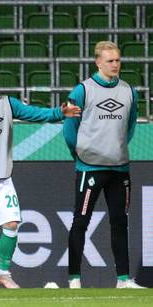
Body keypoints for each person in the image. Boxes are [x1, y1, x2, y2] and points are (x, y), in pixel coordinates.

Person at [0, 60, 81, 289]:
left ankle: (3, 273)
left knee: (12, 223)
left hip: (2, 177)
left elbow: (35, 113)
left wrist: (60, 112)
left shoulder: (8, 104)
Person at [63, 41, 144, 289]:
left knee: (120, 222)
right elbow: (69, 130)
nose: (115, 65)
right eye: (110, 61)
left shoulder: (129, 91)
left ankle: (122, 279)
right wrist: (81, 155)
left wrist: (115, 148)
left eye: (118, 60)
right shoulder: (82, 91)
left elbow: (129, 127)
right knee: (81, 221)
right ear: (98, 62)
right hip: (90, 167)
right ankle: (74, 278)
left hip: (119, 168)